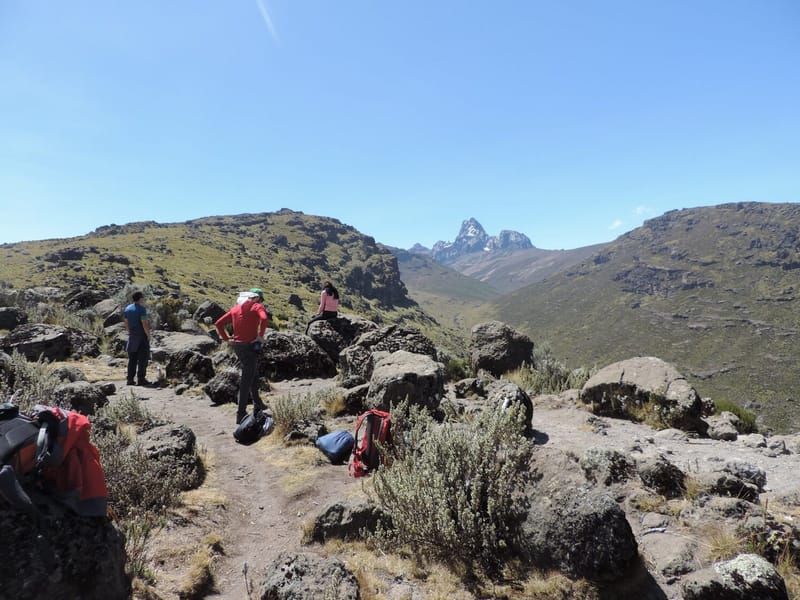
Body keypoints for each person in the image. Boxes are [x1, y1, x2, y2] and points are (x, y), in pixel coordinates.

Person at [215, 288, 269, 425]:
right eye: (261, 299)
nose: (261, 302)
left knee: (253, 373)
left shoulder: (235, 309)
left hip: (238, 346)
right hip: (250, 346)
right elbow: (264, 318)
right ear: (256, 298)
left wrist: (227, 339)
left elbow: (218, 324)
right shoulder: (257, 306)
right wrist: (260, 336)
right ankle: (241, 413)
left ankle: (258, 405)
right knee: (246, 379)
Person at [124, 290, 152, 386]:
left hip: (132, 336)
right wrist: (148, 335)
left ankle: (130, 379)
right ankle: (141, 379)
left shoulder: (127, 308)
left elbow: (126, 321)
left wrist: (128, 332)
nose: (143, 299)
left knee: (132, 359)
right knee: (142, 359)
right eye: (142, 297)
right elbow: (144, 323)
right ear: (140, 298)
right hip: (141, 337)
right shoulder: (141, 309)